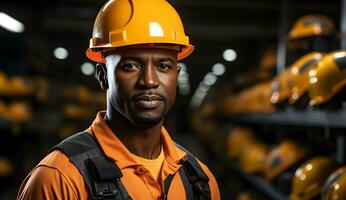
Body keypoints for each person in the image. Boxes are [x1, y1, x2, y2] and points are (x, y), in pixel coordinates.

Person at [16, 0, 221, 199]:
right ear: (103, 76)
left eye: (163, 66)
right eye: (130, 66)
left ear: (176, 75)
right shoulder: (59, 179)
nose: (149, 81)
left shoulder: (201, 183)